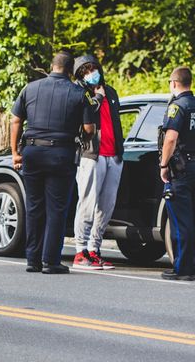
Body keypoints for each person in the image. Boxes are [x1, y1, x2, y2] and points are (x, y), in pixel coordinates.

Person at [10, 51, 95, 274]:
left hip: (33, 152)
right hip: (61, 154)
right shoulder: (79, 93)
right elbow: (89, 129)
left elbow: (16, 120)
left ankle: (33, 260)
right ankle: (50, 261)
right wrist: (83, 138)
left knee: (34, 206)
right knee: (56, 208)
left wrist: (15, 152)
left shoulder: (30, 88)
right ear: (69, 71)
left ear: (52, 66)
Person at [71, 55, 124, 270]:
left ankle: (94, 248)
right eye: (85, 72)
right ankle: (80, 250)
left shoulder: (110, 92)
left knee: (106, 205)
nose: (90, 74)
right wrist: (98, 99)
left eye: (92, 69)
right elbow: (84, 122)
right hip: (91, 155)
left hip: (114, 155)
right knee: (87, 202)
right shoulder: (80, 94)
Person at [159, 67, 195, 281]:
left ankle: (182, 268)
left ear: (174, 83)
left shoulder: (177, 107)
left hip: (179, 168)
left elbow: (170, 138)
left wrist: (164, 165)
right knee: (194, 217)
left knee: (180, 220)